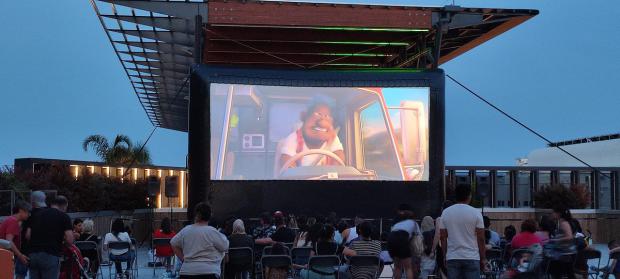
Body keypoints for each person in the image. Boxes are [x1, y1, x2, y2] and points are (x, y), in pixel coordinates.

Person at [279, 100, 345, 169]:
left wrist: (333, 172)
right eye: (318, 114)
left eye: (327, 116)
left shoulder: (332, 137)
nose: (322, 120)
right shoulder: (293, 138)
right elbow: (286, 161)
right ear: (305, 117)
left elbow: (339, 156)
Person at [439, 184, 486, 279]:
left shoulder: (446, 212)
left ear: (455, 196)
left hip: (452, 257)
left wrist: (445, 255)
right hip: (472, 257)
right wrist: (483, 258)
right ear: (469, 196)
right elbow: (481, 238)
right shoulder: (476, 213)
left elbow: (443, 237)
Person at [171, 202, 229, 279]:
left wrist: (183, 259)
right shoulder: (212, 232)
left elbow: (173, 243)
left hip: (187, 272)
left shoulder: (186, 230)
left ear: (196, 214)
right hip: (209, 272)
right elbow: (225, 246)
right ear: (210, 215)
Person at [28, 195, 74, 279]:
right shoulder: (63, 216)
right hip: (50, 255)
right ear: (64, 205)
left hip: (33, 255)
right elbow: (69, 239)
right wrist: (63, 242)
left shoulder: (37, 214)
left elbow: (28, 235)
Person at [387, 204, 421, 279]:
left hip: (391, 239)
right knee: (408, 267)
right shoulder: (414, 223)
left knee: (397, 266)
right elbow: (418, 239)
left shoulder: (396, 224)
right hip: (402, 238)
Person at [0, 200, 30, 279]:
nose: (29, 215)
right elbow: (9, 241)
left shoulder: (9, 220)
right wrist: (20, 256)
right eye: (27, 212)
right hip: (6, 255)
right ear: (21, 211)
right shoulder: (13, 222)